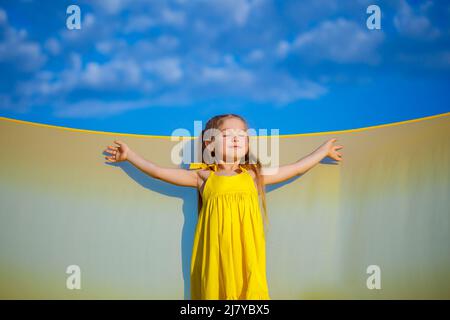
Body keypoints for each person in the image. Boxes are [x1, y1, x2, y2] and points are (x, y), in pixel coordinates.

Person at [103, 113, 343, 300]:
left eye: (242, 135)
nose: (237, 138)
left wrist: (323, 151)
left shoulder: (253, 175)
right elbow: (157, 172)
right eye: (228, 135)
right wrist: (130, 156)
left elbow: (296, 168)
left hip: (247, 253)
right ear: (210, 143)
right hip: (215, 253)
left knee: (248, 297)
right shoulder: (203, 176)